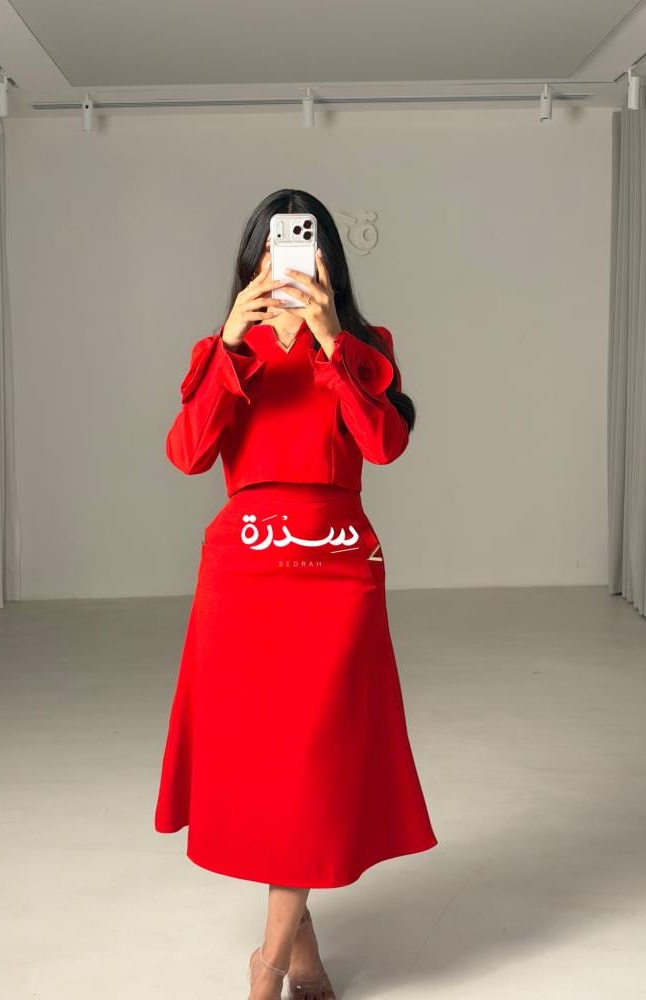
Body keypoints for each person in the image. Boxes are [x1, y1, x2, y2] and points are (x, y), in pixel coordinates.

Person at [154, 189, 438, 1000]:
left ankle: (268, 965)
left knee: (313, 760)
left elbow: (383, 446)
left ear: (326, 262)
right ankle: (302, 959)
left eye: (301, 247)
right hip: (243, 573)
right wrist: (230, 344)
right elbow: (187, 455)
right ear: (252, 263)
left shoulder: (363, 346)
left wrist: (330, 342)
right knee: (270, 767)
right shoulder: (220, 349)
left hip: (336, 570)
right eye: (270, 250)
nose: (284, 263)